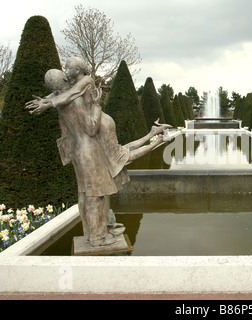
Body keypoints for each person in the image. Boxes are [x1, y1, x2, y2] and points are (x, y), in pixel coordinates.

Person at [26, 58, 171, 247]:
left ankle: (92, 233)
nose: (67, 72)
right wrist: (96, 105)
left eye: (68, 68)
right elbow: (92, 128)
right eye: (65, 72)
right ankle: (97, 237)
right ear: (63, 82)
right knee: (95, 196)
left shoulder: (63, 97)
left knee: (85, 194)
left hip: (78, 151)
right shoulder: (76, 100)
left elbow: (65, 93)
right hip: (89, 151)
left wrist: (48, 102)